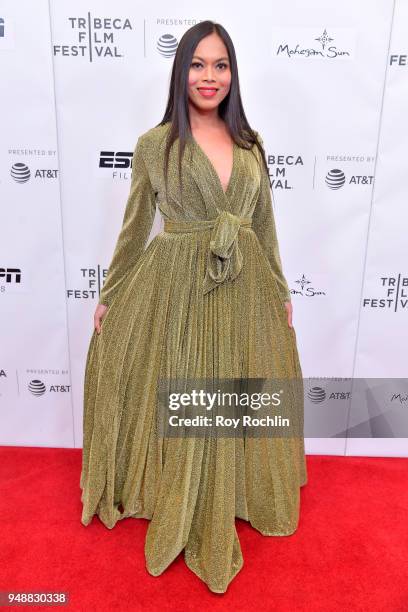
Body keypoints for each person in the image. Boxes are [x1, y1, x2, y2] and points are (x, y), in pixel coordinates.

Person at [80, 20, 307, 594]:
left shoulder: (252, 145)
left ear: (233, 74)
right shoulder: (155, 145)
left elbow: (263, 227)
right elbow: (134, 230)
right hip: (181, 287)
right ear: (180, 72)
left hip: (245, 284)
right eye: (198, 65)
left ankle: (229, 489)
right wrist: (110, 297)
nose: (209, 77)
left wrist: (279, 291)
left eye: (221, 65)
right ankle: (184, 493)